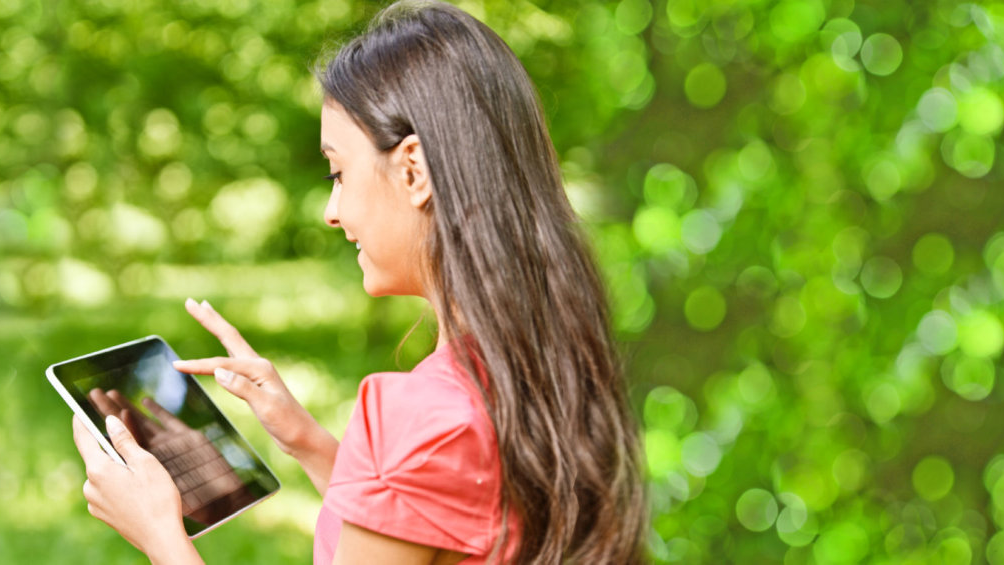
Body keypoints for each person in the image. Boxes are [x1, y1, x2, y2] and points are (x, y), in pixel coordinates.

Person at [69, 1, 648, 563]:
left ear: (414, 170)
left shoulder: (424, 417)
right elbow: (428, 523)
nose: (331, 210)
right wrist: (306, 441)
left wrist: (160, 535)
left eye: (339, 173)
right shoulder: (527, 368)